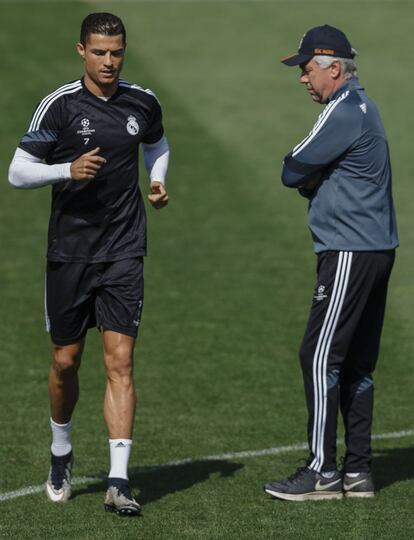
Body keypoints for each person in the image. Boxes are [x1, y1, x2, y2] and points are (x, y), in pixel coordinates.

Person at [8, 12, 170, 516]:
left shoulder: (142, 102)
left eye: (116, 52)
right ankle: (61, 452)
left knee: (120, 363)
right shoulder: (58, 107)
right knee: (65, 363)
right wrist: (66, 169)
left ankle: (119, 480)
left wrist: (158, 178)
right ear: (81, 50)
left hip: (124, 248)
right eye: (99, 52)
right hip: (70, 253)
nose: (108, 61)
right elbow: (17, 172)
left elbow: (157, 142)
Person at [264, 25, 398, 501]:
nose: (302, 78)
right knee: (358, 362)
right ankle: (358, 471)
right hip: (376, 248)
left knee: (319, 357)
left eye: (306, 69)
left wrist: (312, 181)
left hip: (348, 250)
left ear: (333, 69)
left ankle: (321, 472)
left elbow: (291, 169)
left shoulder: (342, 110)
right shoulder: (365, 106)